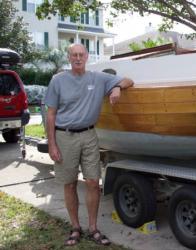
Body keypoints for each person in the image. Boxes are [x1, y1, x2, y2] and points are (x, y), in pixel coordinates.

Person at [45, 44, 134, 246]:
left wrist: (117, 87)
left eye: (81, 55)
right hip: (64, 136)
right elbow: (50, 114)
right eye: (74, 55)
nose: (78, 58)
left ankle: (93, 228)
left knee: (93, 182)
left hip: (89, 135)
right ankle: (75, 227)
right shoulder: (58, 81)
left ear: (86, 57)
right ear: (69, 58)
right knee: (70, 183)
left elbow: (129, 80)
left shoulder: (98, 78)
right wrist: (52, 144)